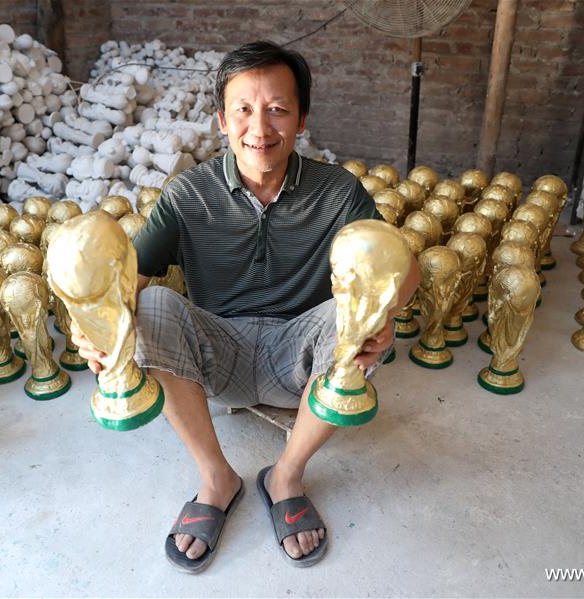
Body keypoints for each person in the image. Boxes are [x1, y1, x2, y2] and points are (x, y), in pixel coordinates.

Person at [72, 40, 420, 572]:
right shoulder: (189, 193)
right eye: (244, 109)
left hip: (299, 354)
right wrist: (94, 332)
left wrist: (382, 315)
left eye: (278, 109)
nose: (260, 128)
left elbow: (402, 272)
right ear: (221, 119)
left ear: (301, 119)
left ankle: (285, 475)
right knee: (156, 305)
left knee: (351, 317)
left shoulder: (339, 192)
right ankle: (217, 478)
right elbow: (126, 287)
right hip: (216, 355)